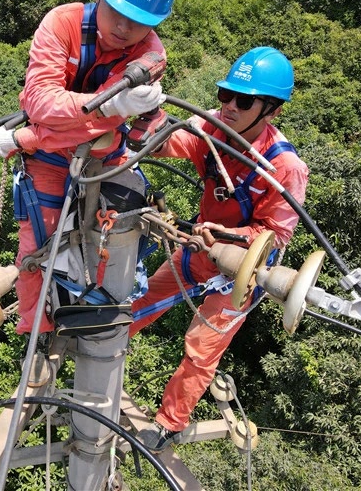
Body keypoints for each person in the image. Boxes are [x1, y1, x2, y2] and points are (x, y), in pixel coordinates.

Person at [0, 0, 183, 337]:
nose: (124, 26)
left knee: (120, 233)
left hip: (103, 156)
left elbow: (92, 124)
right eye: (117, 10)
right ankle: (38, 334)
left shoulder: (150, 56)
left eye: (138, 20)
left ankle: (100, 322)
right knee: (36, 247)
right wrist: (110, 107)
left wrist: (22, 139)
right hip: (50, 158)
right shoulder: (62, 23)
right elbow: (40, 102)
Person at [132, 46, 310, 451]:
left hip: (241, 272)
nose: (229, 106)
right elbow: (164, 142)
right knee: (142, 298)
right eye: (224, 95)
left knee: (201, 346)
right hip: (198, 249)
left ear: (272, 111)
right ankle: (101, 348)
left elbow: (276, 237)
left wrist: (230, 238)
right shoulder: (210, 129)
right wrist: (145, 115)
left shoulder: (284, 168)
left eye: (243, 101)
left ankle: (169, 423)